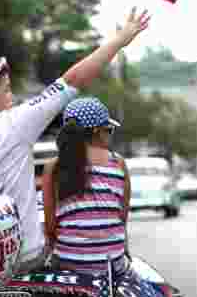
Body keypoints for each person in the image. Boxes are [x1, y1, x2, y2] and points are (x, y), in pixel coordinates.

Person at [0, 7, 150, 273]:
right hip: (23, 261)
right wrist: (119, 41)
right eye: (6, 91)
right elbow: (73, 80)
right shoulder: (15, 124)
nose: (12, 98)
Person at [40, 97, 130, 277]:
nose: (109, 136)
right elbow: (121, 218)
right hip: (111, 268)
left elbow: (50, 227)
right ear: (97, 131)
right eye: (109, 130)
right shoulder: (118, 163)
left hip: (69, 267)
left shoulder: (54, 167)